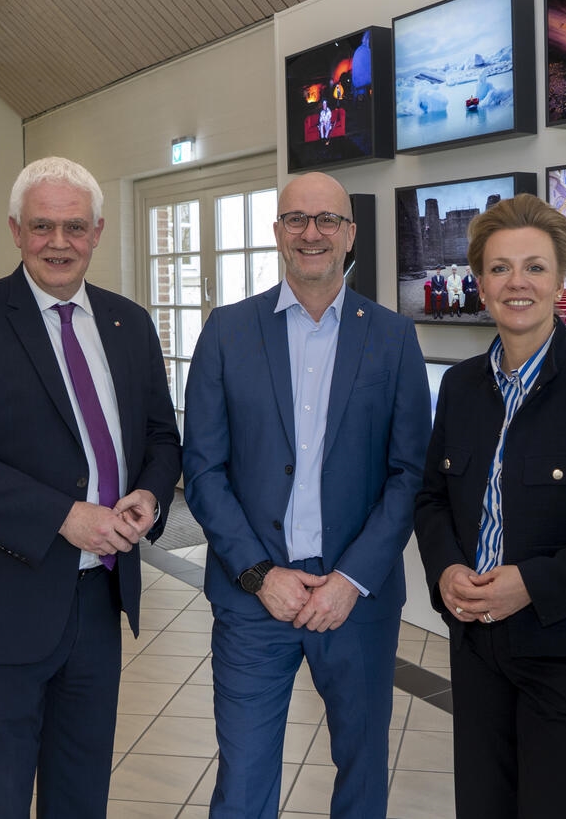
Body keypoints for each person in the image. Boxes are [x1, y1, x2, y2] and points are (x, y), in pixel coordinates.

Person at [0, 156, 182, 818]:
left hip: (97, 606)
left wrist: (147, 494)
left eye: (74, 226)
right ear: (15, 230)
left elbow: (161, 438)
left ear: (97, 231)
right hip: (0, 608)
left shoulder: (128, 323)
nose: (58, 242)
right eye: (41, 226)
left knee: (81, 797)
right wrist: (63, 515)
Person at [183, 171, 431, 819]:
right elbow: (203, 470)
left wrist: (352, 577)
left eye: (327, 220)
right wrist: (260, 574)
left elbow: (410, 474)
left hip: (356, 602)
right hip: (252, 598)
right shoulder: (227, 332)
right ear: (277, 234)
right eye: (296, 219)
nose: (311, 232)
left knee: (361, 776)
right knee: (243, 782)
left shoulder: (394, 338)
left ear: (350, 234)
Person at [415, 194, 566, 819]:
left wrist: (533, 583)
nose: (516, 283)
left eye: (534, 267)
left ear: (561, 280)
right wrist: (445, 572)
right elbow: (432, 497)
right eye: (499, 269)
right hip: (475, 653)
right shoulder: (462, 387)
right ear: (479, 283)